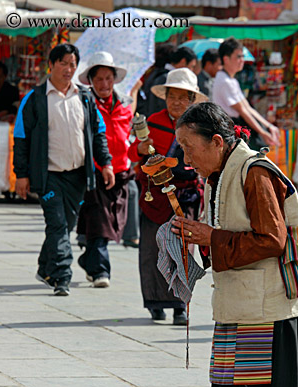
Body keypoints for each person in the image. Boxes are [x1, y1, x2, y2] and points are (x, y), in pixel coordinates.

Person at [172, 102, 298, 387]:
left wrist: (211, 238)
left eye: (189, 147)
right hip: (238, 302)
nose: (186, 159)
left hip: (270, 307)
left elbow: (273, 240)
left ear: (217, 142)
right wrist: (198, 238)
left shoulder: (254, 172)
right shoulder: (218, 174)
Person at [13, 43, 114, 296]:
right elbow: (21, 139)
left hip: (78, 175)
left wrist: (106, 164)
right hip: (49, 177)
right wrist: (21, 175)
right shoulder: (34, 99)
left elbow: (98, 133)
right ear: (52, 64)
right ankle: (61, 276)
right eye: (64, 63)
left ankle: (45, 267)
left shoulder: (85, 97)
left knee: (65, 225)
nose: (69, 69)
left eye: (73, 64)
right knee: (57, 225)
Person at [128, 68, 207, 324]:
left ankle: (180, 305)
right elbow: (132, 153)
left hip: (185, 197)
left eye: (182, 97)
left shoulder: (199, 125)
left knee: (184, 249)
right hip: (156, 196)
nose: (176, 102)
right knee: (153, 248)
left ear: (192, 99)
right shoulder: (152, 121)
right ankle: (155, 301)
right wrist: (139, 148)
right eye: (172, 96)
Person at [76, 51, 141, 288]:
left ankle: (88, 259)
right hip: (95, 171)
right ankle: (101, 271)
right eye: (99, 79)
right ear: (91, 82)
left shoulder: (125, 104)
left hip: (122, 170)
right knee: (100, 220)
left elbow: (129, 135)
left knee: (113, 222)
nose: (104, 84)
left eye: (108, 78)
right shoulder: (84, 105)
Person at [212, 38, 280, 149]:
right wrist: (263, 132)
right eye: (238, 56)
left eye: (243, 56)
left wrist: (268, 126)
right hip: (231, 130)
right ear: (226, 59)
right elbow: (243, 111)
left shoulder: (231, 80)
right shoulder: (224, 80)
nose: (242, 60)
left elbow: (247, 108)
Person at [147, 47, 197, 117]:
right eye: (191, 66)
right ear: (183, 61)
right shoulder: (164, 78)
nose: (192, 70)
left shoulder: (157, 73)